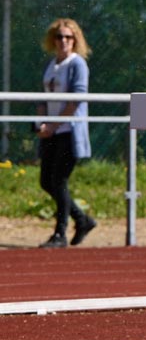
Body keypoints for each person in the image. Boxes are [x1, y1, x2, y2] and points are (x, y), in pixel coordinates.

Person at [34, 18, 96, 248]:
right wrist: (42, 123)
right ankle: (82, 219)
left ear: (75, 40)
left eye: (68, 37)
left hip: (68, 131)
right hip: (52, 131)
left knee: (59, 181)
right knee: (46, 181)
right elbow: (42, 97)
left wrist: (55, 124)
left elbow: (77, 98)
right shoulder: (51, 64)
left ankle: (60, 234)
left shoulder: (77, 64)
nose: (63, 41)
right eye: (59, 37)